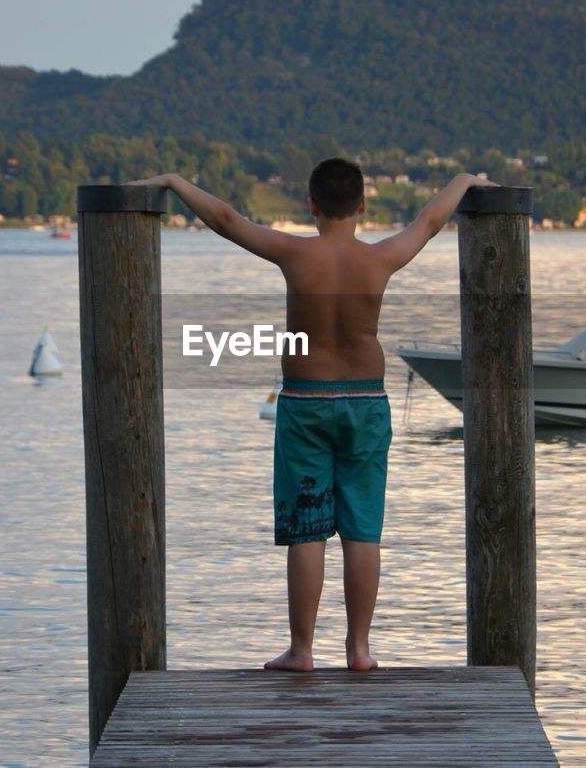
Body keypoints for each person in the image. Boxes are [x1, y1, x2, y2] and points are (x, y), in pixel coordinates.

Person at [129, 159, 494, 671]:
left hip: (305, 402)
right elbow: (431, 222)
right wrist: (466, 181)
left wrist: (172, 181)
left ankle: (302, 651)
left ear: (312, 205)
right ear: (363, 205)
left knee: (307, 532)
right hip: (367, 402)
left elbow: (228, 220)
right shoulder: (381, 258)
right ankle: (359, 650)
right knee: (362, 530)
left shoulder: (296, 253)